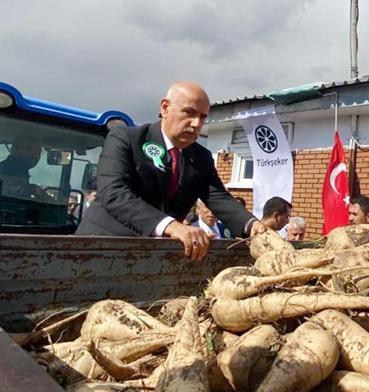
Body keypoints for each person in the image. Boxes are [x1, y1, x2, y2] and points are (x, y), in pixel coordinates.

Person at [76, 81, 265, 260]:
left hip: (152, 258)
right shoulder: (126, 138)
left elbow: (219, 198)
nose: (196, 124)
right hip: (98, 250)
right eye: (189, 113)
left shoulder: (201, 157)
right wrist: (171, 226)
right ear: (165, 108)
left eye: (202, 117)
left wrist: (252, 224)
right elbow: (114, 192)